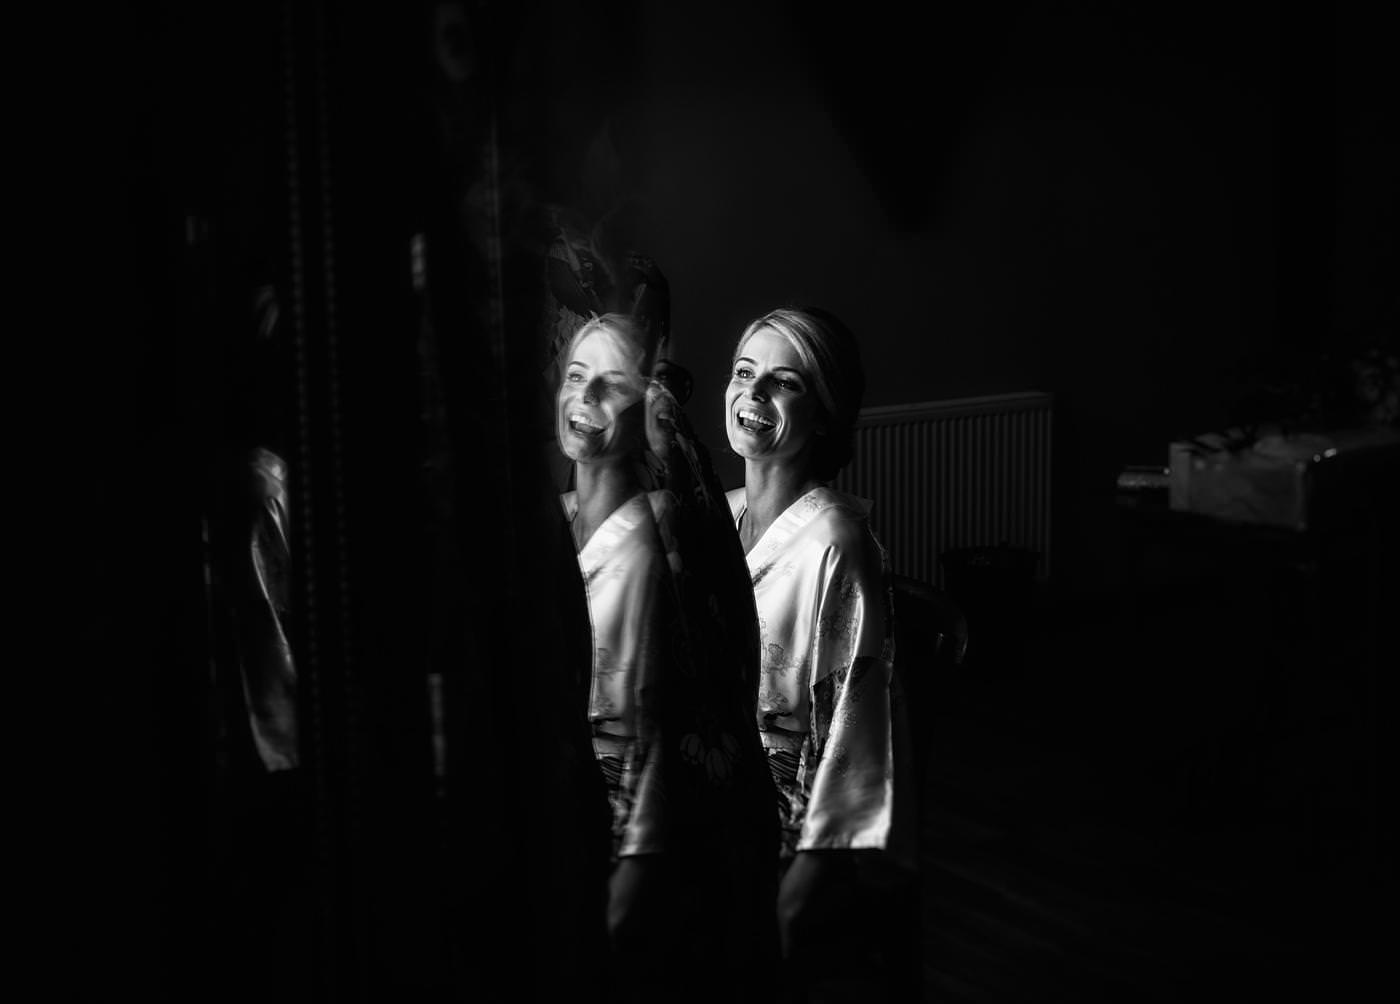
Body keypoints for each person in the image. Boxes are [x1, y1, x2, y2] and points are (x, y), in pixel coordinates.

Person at [724, 306, 918, 999]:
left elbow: (853, 738)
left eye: (786, 383)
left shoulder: (836, 543)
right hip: (710, 803)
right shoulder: (713, 516)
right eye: (745, 373)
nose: (754, 394)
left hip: (785, 840)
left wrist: (799, 887)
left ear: (827, 415)